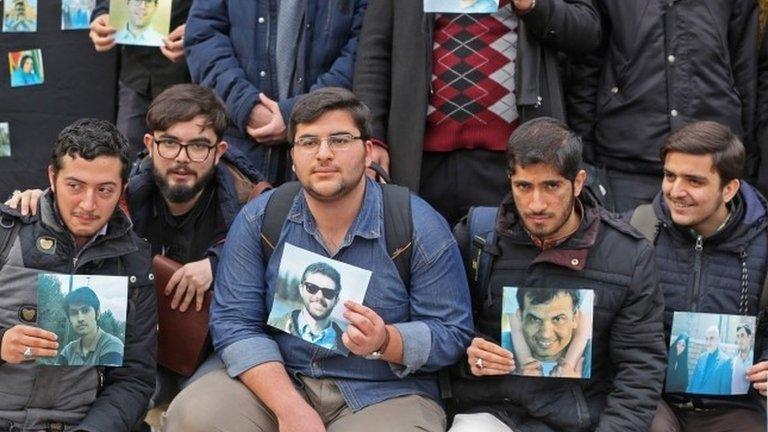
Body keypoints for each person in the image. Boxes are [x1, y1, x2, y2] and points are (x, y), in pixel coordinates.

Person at [162, 87, 474, 432]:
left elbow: (452, 332)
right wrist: (290, 408)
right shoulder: (261, 219)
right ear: (293, 157)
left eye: (339, 140)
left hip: (385, 392)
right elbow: (235, 324)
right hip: (281, 377)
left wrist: (386, 340)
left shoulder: (417, 225)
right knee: (194, 415)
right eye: (309, 143)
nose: (323, 154)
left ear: (368, 151)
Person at [7, 84, 267, 397]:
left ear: (218, 152)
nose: (182, 158)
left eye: (198, 146)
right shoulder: (120, 192)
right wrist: (41, 204)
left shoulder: (253, 205)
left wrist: (221, 262)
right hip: (126, 346)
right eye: (169, 143)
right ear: (150, 144)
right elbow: (77, 199)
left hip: (214, 350)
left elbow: (275, 268)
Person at [450, 117, 666, 431]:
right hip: (492, 410)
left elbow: (639, 370)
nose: (536, 204)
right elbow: (443, 329)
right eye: (524, 186)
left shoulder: (628, 254)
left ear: (578, 182)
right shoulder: (477, 236)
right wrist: (471, 352)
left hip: (581, 417)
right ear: (510, 181)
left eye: (551, 185)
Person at [353, 0, 601, 225]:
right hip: (419, 160)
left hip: (517, 161)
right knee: (421, 264)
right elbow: (375, 51)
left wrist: (533, 6)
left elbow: (588, 31)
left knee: (506, 266)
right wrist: (373, 137)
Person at [0, 118, 156, 431]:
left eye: (104, 190)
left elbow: (134, 379)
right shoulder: (7, 234)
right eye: (75, 186)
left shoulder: (134, 261)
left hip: (78, 423)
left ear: (122, 189)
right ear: (52, 177)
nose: (88, 204)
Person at [625, 121, 768, 431]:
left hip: (737, 407)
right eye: (669, 176)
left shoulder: (764, 242)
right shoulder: (637, 228)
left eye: (694, 181)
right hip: (650, 401)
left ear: (729, 188)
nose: (676, 192)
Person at [567, 1, 758, 212]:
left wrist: (745, 158)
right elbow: (586, 69)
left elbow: (745, 71)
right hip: (627, 163)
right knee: (626, 241)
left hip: (711, 161)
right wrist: (585, 153)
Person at [184, 0, 367, 185]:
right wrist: (247, 106)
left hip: (324, 148)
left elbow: (363, 51)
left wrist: (296, 114)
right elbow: (203, 36)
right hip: (241, 146)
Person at [89, 0, 191, 154]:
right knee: (126, 160)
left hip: (188, 78)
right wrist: (103, 14)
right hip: (136, 75)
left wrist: (197, 31)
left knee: (180, 158)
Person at [272, 262, 346, 353]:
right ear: (301, 290)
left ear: (336, 300)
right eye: (312, 288)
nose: (319, 296)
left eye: (328, 293)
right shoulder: (274, 325)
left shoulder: (346, 347)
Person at [58, 286, 124, 366]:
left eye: (85, 311)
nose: (80, 318)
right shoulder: (68, 352)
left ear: (98, 313)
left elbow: (108, 377)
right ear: (69, 319)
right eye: (74, 313)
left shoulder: (112, 345)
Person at [687, 326, 732, 395]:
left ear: (718, 339)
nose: (708, 342)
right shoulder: (701, 357)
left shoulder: (726, 361)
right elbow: (692, 382)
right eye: (706, 339)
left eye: (711, 338)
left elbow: (725, 393)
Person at [731, 323, 754, 395]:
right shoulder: (733, 361)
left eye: (742, 335)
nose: (739, 340)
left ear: (749, 337)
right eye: (738, 336)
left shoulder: (756, 359)